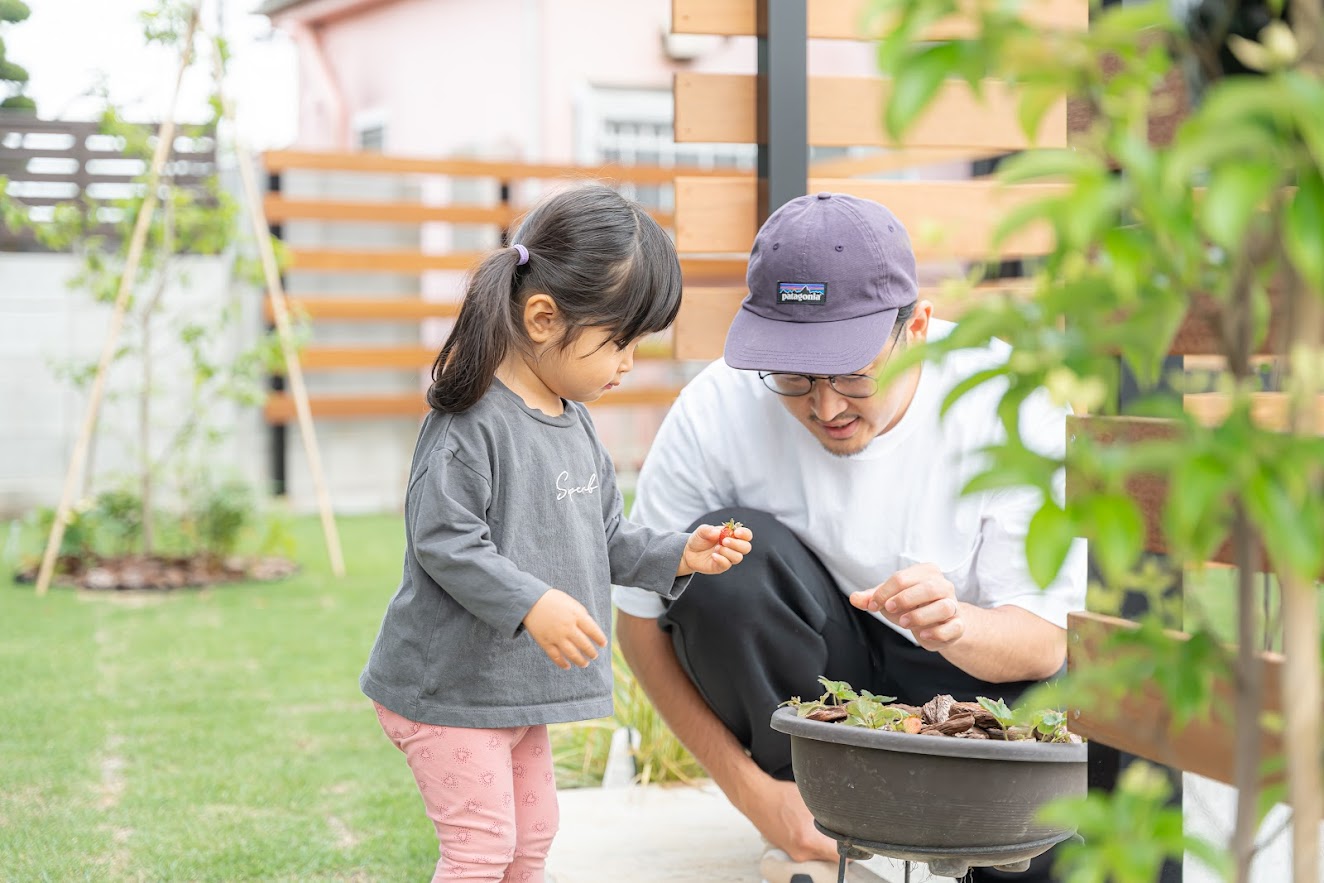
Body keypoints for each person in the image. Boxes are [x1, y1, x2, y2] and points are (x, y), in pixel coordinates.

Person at [614, 192, 1086, 883]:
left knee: (1030, 862)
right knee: (720, 570)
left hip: (979, 679)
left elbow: (1046, 641)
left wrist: (955, 625)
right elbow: (639, 621)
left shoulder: (1007, 400)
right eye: (794, 375)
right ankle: (826, 823)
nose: (826, 405)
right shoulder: (718, 407)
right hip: (821, 680)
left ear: (918, 327)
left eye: (853, 373)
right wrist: (757, 798)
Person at [360, 184, 754, 883]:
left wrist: (679, 552)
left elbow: (605, 537)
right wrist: (532, 601)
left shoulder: (574, 422)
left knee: (532, 838)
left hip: (511, 692)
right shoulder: (470, 423)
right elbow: (443, 540)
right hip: (449, 688)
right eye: (619, 341)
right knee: (482, 848)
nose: (628, 362)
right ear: (544, 317)